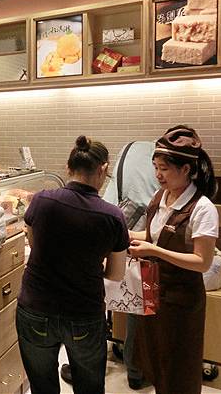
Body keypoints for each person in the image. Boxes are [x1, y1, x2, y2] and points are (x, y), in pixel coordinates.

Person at [16, 135, 128, 394]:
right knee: (89, 388)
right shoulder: (113, 216)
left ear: (68, 167)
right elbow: (115, 273)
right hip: (83, 313)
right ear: (103, 169)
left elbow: (33, 244)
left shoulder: (42, 200)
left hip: (35, 308)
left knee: (42, 387)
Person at [60, 141, 159, 390]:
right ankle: (136, 370)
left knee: (101, 297)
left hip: (109, 229)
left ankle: (87, 365)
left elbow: (112, 196)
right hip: (142, 241)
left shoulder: (130, 149)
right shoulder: (163, 162)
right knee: (139, 304)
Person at [129, 125, 218, 394]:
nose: (158, 175)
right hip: (154, 292)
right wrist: (124, 234)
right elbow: (154, 235)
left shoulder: (203, 209)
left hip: (182, 301)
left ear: (186, 169)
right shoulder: (161, 196)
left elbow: (202, 261)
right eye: (155, 167)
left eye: (164, 169)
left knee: (179, 368)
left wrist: (154, 251)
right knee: (156, 360)